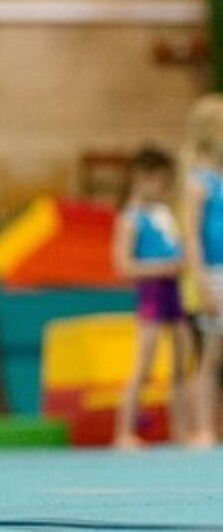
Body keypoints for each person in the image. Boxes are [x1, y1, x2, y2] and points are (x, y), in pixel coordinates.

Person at [112, 146, 200, 449]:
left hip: (175, 291)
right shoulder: (130, 219)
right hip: (152, 293)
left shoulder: (164, 214)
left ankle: (181, 430)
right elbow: (123, 265)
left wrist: (184, 262)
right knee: (144, 365)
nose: (166, 189)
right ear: (141, 179)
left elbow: (179, 250)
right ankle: (124, 432)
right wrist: (162, 267)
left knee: (183, 365)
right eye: (162, 182)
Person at [183, 93, 223, 447]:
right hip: (213, 273)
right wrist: (201, 282)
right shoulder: (199, 180)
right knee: (211, 352)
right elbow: (192, 234)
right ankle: (203, 428)